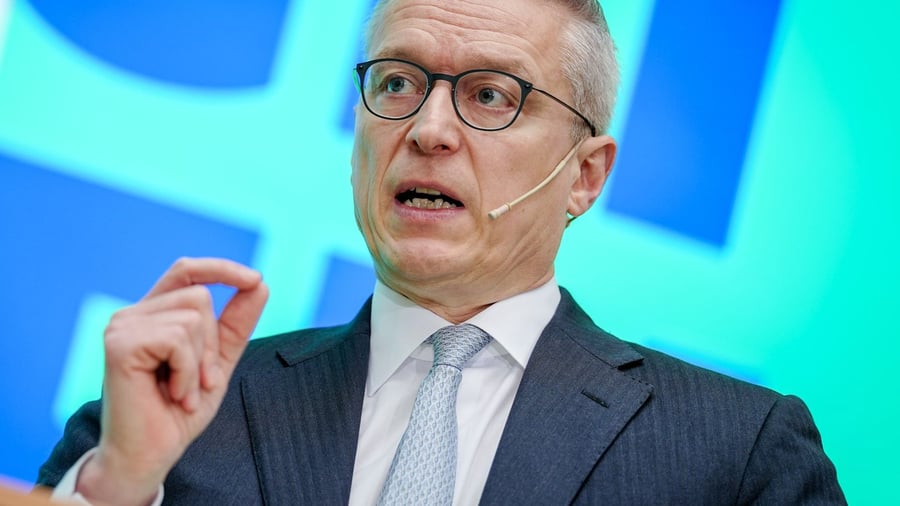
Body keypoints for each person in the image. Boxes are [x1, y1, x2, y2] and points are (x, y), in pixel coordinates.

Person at [37, 0, 846, 504]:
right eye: (397, 83)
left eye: (491, 95)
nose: (427, 130)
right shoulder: (168, 413)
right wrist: (120, 486)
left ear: (585, 176)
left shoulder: (738, 452)